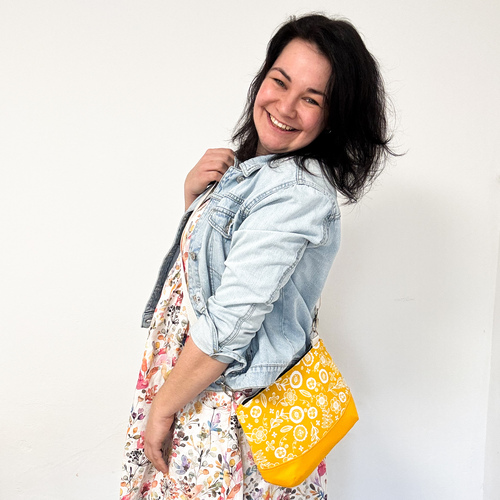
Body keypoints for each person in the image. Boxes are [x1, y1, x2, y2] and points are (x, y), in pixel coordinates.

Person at [120, 13, 393, 500]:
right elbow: (212, 276)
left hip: (228, 411)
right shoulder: (259, 173)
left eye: (311, 99)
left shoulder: (295, 191)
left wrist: (163, 406)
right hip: (198, 391)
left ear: (334, 117)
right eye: (279, 81)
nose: (285, 107)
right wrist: (195, 202)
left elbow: (230, 321)